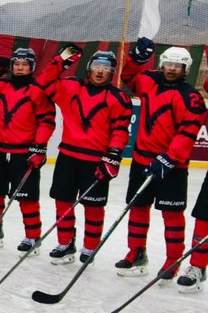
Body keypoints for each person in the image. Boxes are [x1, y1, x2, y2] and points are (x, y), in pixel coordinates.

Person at [115, 40, 206, 280]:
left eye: (178, 65)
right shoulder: (149, 81)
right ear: (162, 64)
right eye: (169, 64)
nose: (173, 69)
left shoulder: (192, 97)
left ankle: (172, 260)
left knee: (171, 214)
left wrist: (169, 158)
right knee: (138, 207)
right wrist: (138, 58)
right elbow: (129, 76)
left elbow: (188, 131)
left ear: (186, 69)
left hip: (173, 166)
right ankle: (136, 252)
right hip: (142, 160)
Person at [37, 47, 132, 264]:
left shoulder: (120, 99)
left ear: (112, 72)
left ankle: (90, 247)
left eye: (106, 68)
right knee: (63, 201)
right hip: (68, 156)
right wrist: (60, 61)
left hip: (96, 160)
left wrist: (114, 154)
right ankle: (65, 243)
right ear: (89, 68)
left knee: (94, 207)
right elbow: (43, 83)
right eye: (97, 66)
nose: (100, 72)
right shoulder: (71, 86)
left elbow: (119, 130)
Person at [0, 48, 56, 253]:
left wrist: (39, 147)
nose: (20, 68)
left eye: (25, 64)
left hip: (25, 152)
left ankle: (32, 237)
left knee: (26, 198)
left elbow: (47, 122)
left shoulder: (39, 90)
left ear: (32, 67)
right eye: (16, 64)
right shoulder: (1, 85)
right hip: (0, 149)